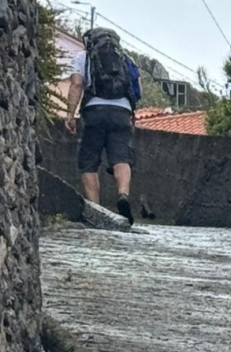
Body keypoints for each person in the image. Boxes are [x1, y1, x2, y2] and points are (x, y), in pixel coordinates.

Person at [65, 28, 142, 224]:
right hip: (122, 112)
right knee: (121, 158)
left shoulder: (84, 56)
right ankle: (123, 195)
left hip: (95, 111)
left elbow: (76, 84)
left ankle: (97, 210)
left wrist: (70, 114)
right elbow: (137, 88)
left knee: (89, 161)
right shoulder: (125, 58)